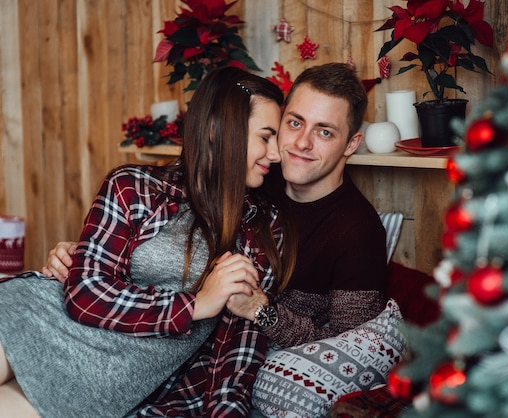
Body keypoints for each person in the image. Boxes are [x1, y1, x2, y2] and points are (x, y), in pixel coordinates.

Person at [43, 62, 389, 416]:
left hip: (197, 359)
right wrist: (82, 253)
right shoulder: (253, 177)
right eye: (295, 123)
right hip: (116, 334)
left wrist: (262, 312)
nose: (299, 143)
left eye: (325, 132)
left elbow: (351, 355)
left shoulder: (358, 233)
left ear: (352, 144)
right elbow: (158, 234)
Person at [0, 66, 296, 418]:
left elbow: (237, 354)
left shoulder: (261, 228)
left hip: (102, 380)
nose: (276, 154)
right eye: (266, 137)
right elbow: (85, 292)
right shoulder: (133, 185)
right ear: (218, 130)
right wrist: (196, 305)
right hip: (36, 316)